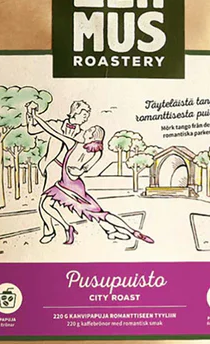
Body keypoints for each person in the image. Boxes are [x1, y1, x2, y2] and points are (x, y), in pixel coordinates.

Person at [26, 102, 154, 246]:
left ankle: (68, 228)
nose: (86, 119)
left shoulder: (76, 141)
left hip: (67, 180)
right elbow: (36, 129)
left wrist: (36, 116)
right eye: (84, 114)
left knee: (47, 204)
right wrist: (31, 114)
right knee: (87, 209)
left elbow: (56, 135)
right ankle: (122, 231)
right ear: (74, 112)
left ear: (89, 136)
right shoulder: (90, 148)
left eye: (87, 117)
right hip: (63, 175)